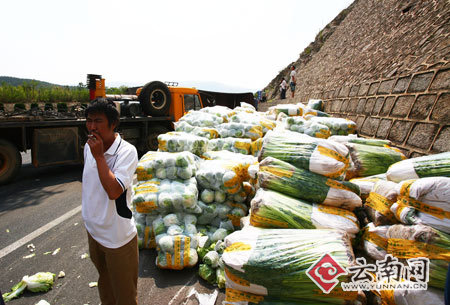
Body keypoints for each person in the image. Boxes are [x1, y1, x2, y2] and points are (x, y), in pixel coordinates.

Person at [82, 100, 139, 305]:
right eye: (89, 121)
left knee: (125, 296)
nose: (92, 127)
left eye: (98, 121)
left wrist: (99, 157)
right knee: (105, 288)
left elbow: (114, 191)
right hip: (94, 232)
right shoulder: (89, 147)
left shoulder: (127, 152)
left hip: (118, 238)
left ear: (113, 123)